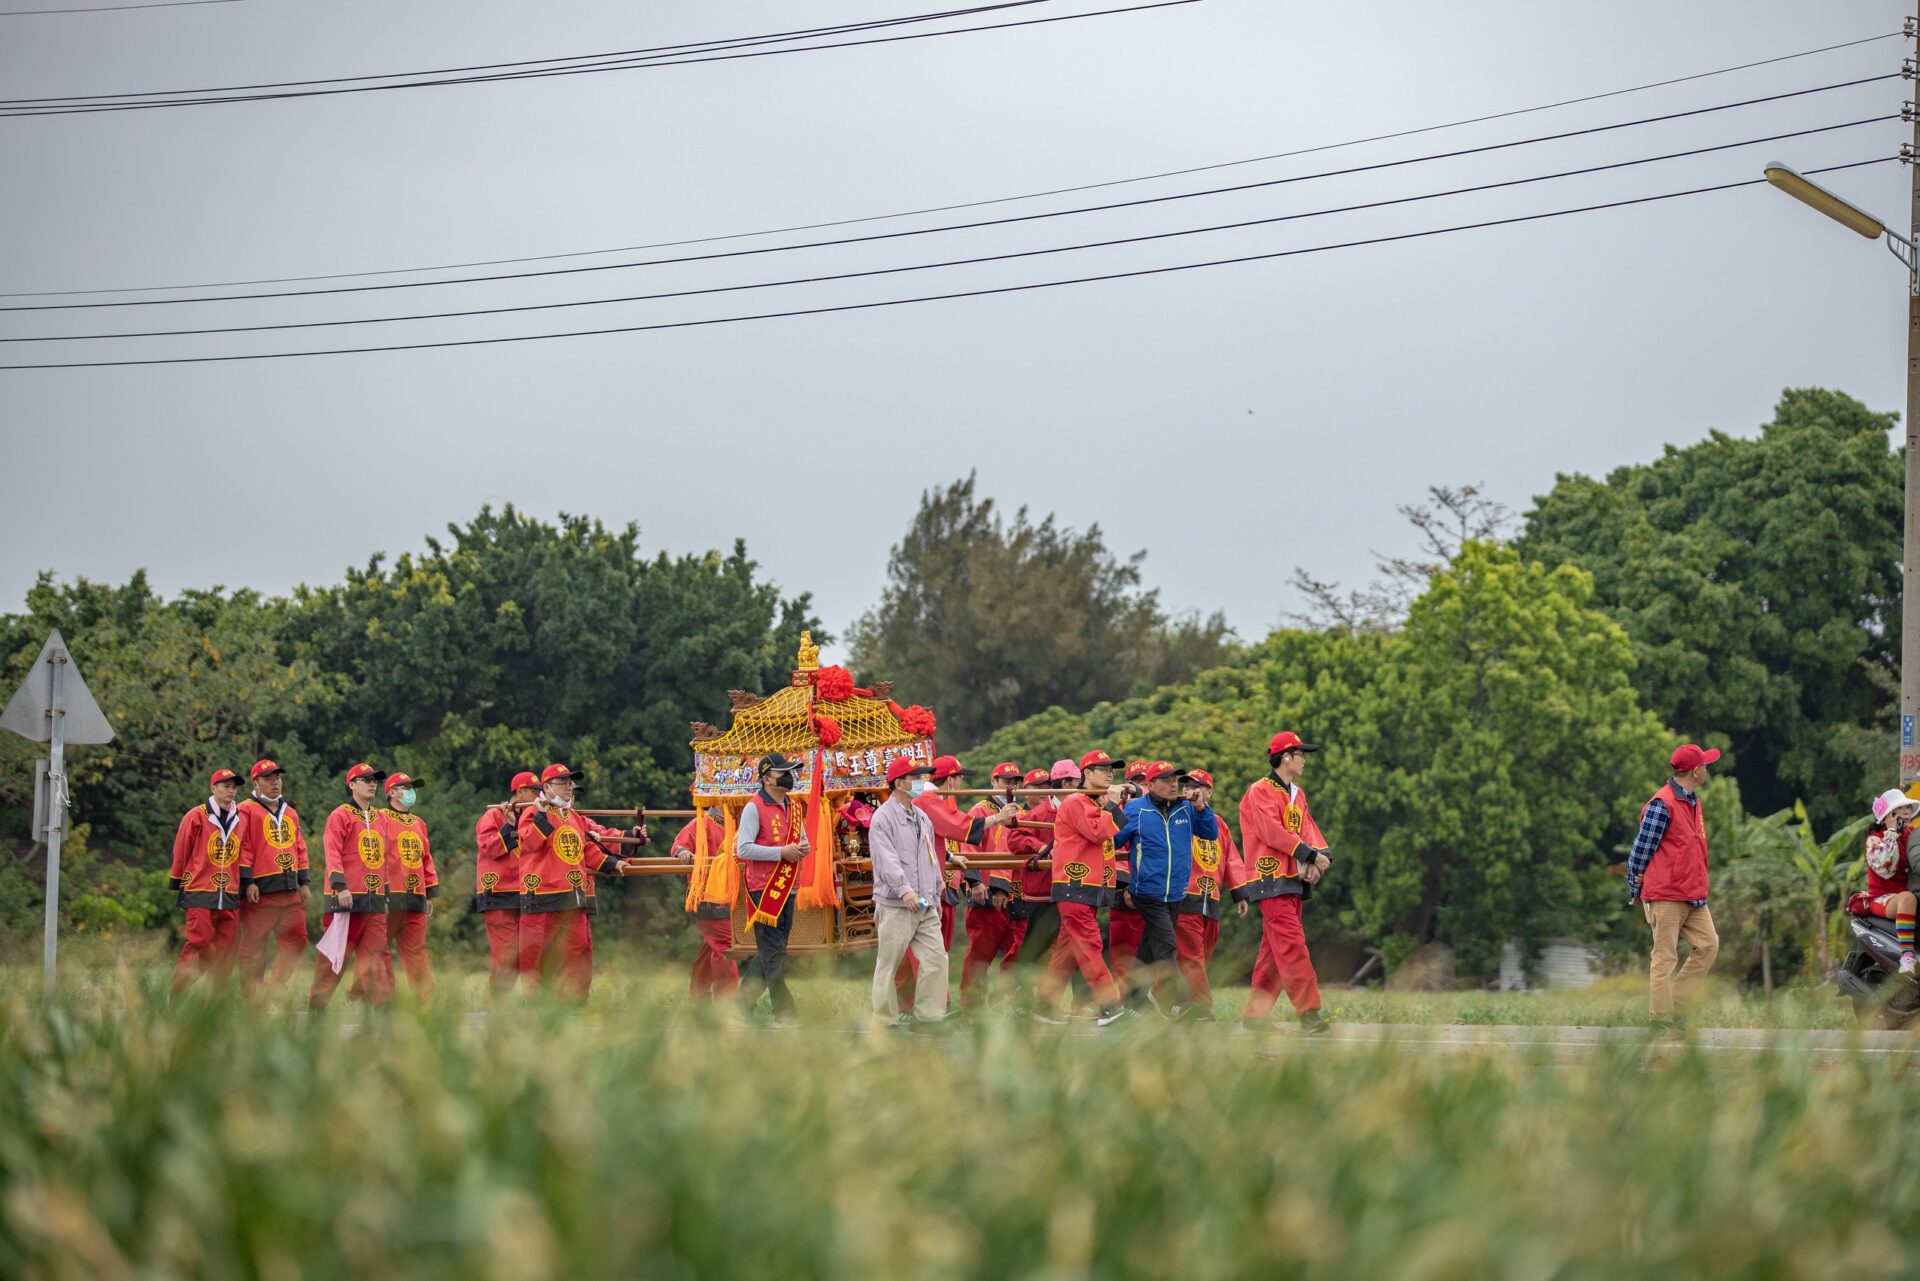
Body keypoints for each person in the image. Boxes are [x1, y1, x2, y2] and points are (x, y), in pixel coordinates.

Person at [515, 762, 648, 1002]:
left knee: (578, 952)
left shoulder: (574, 817)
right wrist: (542, 815)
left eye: (571, 783)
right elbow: (530, 844)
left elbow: (587, 850)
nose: (569, 788)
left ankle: (575, 1005)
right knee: (538, 953)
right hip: (541, 894)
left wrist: (613, 863)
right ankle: (537, 1006)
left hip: (572, 895)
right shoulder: (531, 813)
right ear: (547, 787)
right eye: (563, 783)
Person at [897, 755, 1018, 1013]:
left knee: (924, 951)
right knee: (926, 951)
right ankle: (929, 1006)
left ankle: (914, 1006)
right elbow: (959, 827)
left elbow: (929, 838)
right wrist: (997, 818)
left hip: (932, 882)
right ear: (951, 780)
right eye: (960, 777)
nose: (961, 783)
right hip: (921, 885)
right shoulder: (930, 800)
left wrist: (950, 856)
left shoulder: (929, 800)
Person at [1235, 732, 1332, 1034]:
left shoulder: (1297, 794)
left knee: (1274, 952)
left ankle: (1255, 1017)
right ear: (1286, 757)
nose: (1304, 760)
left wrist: (1319, 860)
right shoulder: (1259, 791)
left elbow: (1309, 829)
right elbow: (1270, 830)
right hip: (1269, 878)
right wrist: (1309, 855)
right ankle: (1309, 1013)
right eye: (1301, 755)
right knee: (1292, 945)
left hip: (1292, 879)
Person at [1626, 743, 1721, 1031]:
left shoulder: (1692, 801)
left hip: (1693, 894)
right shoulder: (1662, 804)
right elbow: (1640, 851)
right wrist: (1635, 887)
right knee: (1664, 958)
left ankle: (1676, 1007)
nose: (1706, 769)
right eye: (1704, 765)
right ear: (1696, 771)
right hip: (1666, 895)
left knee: (1708, 946)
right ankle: (1661, 1021)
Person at [1114, 760, 1219, 1012]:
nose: (1173, 784)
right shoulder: (1135, 809)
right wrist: (1113, 808)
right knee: (1167, 945)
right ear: (1150, 785)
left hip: (1175, 893)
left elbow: (1210, 833)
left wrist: (1202, 807)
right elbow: (1114, 839)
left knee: (1148, 951)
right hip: (1146, 893)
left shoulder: (1187, 808)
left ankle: (1131, 1004)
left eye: (1175, 780)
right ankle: (1177, 1003)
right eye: (1166, 780)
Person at [1036, 750, 1131, 1026]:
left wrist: (1116, 802)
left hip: (1087, 886)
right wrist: (1112, 805)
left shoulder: (1095, 801)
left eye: (1112, 769)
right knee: (1090, 944)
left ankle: (1044, 1006)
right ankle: (1109, 1005)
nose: (1110, 773)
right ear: (1086, 773)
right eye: (1103, 769)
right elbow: (1098, 832)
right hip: (1074, 884)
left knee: (1066, 951)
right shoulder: (1076, 801)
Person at [868, 757, 952, 1030]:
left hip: (925, 902)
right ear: (899, 783)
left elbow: (930, 856)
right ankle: (884, 1020)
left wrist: (936, 889)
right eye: (915, 778)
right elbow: (886, 860)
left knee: (936, 959)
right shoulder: (882, 818)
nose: (920, 782)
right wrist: (905, 891)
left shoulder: (922, 817)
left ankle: (929, 1016)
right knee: (888, 963)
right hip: (896, 904)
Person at [309, 762, 396, 1010]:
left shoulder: (381, 818)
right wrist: (340, 886)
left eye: (375, 780)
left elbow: (384, 858)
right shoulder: (340, 815)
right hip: (345, 897)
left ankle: (381, 1009)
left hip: (374, 899)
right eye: (366, 780)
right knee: (335, 956)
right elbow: (332, 851)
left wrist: (385, 895)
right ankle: (317, 1007)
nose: (372, 784)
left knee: (376, 956)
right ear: (352, 785)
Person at [734, 752, 810, 1026]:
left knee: (771, 952)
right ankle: (785, 1011)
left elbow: (802, 840)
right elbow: (743, 849)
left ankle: (740, 1006)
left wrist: (802, 848)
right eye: (783, 772)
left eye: (791, 771)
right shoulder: (753, 807)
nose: (790, 776)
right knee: (774, 953)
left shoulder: (794, 806)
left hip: (788, 887)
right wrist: (781, 852)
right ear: (766, 778)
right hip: (764, 890)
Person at [1171, 768, 1248, 1019]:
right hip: (1186, 894)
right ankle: (1200, 1005)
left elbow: (1231, 858)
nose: (1189, 791)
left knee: (1201, 955)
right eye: (1186, 786)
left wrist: (1239, 893)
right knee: (1191, 955)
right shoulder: (1177, 816)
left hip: (1211, 897)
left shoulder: (1219, 824)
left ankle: (1159, 997)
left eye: (1196, 786)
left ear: (1209, 792)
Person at [168, 767, 247, 993]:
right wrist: (178, 881)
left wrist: (246, 883)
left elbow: (244, 853)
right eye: (226, 786)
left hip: (230, 892)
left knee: (226, 950)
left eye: (234, 787)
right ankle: (176, 992)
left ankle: (217, 1002)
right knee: (199, 942)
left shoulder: (241, 819)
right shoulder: (196, 815)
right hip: (199, 889)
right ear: (213, 788)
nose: (231, 791)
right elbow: (181, 849)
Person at [236, 758, 311, 994]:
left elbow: (300, 847)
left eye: (277, 778)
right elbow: (243, 846)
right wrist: (248, 882)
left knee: (297, 939)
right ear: (255, 783)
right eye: (268, 779)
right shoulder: (245, 809)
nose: (275, 783)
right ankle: (253, 998)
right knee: (254, 947)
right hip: (260, 891)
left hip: (289, 890)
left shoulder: (290, 812)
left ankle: (275, 988)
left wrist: (304, 882)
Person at [958, 762, 1026, 1006]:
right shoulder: (980, 809)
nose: (1011, 786)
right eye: (1006, 781)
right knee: (981, 953)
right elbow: (968, 845)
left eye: (1015, 782)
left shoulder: (1020, 811)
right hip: (985, 890)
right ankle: (971, 1003)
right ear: (993, 782)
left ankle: (1007, 1001)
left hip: (1016, 892)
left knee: (1019, 950)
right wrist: (975, 882)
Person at [473, 769, 538, 999]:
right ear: (520, 791)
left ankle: (498, 1005)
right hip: (497, 892)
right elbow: (489, 847)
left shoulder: (531, 817)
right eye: (534, 791)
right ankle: (492, 1006)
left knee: (524, 955)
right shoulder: (493, 815)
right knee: (506, 955)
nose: (538, 796)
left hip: (524, 892)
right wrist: (509, 826)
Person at [380, 772, 438, 1002]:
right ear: (392, 793)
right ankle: (378, 998)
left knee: (417, 950)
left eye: (412, 788)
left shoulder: (419, 823)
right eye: (406, 788)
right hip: (390, 894)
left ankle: (426, 1001)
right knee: (378, 948)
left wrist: (430, 892)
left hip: (416, 895)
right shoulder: (380, 818)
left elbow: (426, 859)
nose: (412, 792)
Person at [673, 806, 740, 1001]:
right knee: (725, 947)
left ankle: (698, 997)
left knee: (713, 946)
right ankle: (726, 1003)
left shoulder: (741, 822)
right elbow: (679, 845)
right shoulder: (701, 823)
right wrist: (683, 852)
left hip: (736, 894)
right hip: (709, 896)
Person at [1855, 788, 1920, 975]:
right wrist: (1891, 832)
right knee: (1907, 898)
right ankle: (1907, 957)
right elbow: (1886, 868)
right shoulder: (1875, 840)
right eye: (1900, 808)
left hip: (1906, 893)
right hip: (1883, 897)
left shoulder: (1911, 834)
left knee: (1909, 897)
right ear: (1888, 816)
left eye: (1908, 807)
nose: (1906, 811)